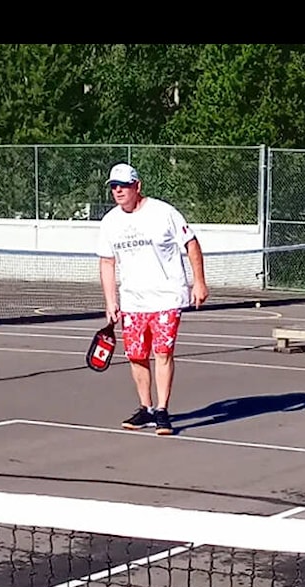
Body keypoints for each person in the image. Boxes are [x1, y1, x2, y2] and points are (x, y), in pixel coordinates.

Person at [96, 162, 209, 436]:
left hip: (167, 298)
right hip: (133, 302)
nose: (118, 191)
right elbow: (107, 262)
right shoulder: (110, 222)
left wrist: (200, 282)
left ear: (138, 186)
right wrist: (111, 302)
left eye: (123, 185)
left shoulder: (163, 213)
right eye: (114, 186)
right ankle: (145, 408)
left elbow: (191, 244)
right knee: (136, 356)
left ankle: (161, 410)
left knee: (162, 353)